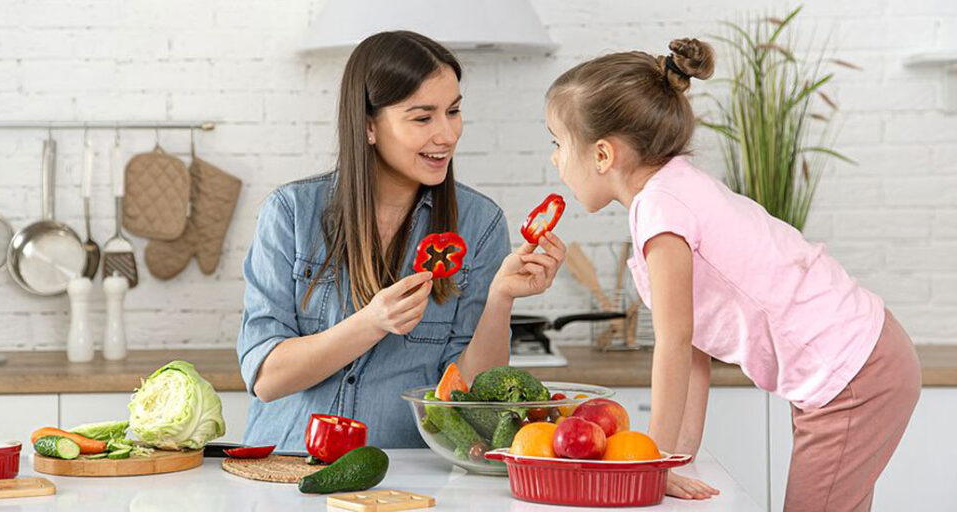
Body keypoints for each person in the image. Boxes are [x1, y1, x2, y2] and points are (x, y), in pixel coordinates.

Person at [543, 37, 920, 510]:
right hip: (860, 363)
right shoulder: (673, 192)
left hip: (853, 375)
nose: (556, 159)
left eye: (558, 144)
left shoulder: (662, 212)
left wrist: (650, 463)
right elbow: (695, 346)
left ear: (602, 155)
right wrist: (673, 459)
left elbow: (675, 345)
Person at [237, 31, 566, 451]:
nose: (447, 134)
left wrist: (502, 297)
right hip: (284, 469)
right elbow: (267, 379)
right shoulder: (292, 213)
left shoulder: (480, 224)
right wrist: (371, 323)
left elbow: (467, 398)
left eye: (454, 111)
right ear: (369, 126)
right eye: (423, 117)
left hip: (408, 474)